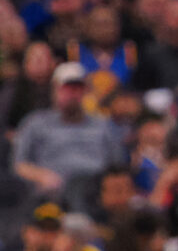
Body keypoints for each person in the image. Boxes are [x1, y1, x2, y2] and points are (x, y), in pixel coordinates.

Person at [13, 62, 122, 195]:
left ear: (86, 91)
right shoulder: (36, 123)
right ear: (54, 90)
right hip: (55, 190)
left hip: (95, 190)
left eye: (78, 88)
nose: (73, 94)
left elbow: (118, 166)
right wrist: (41, 176)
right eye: (67, 88)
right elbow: (19, 165)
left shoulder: (103, 125)